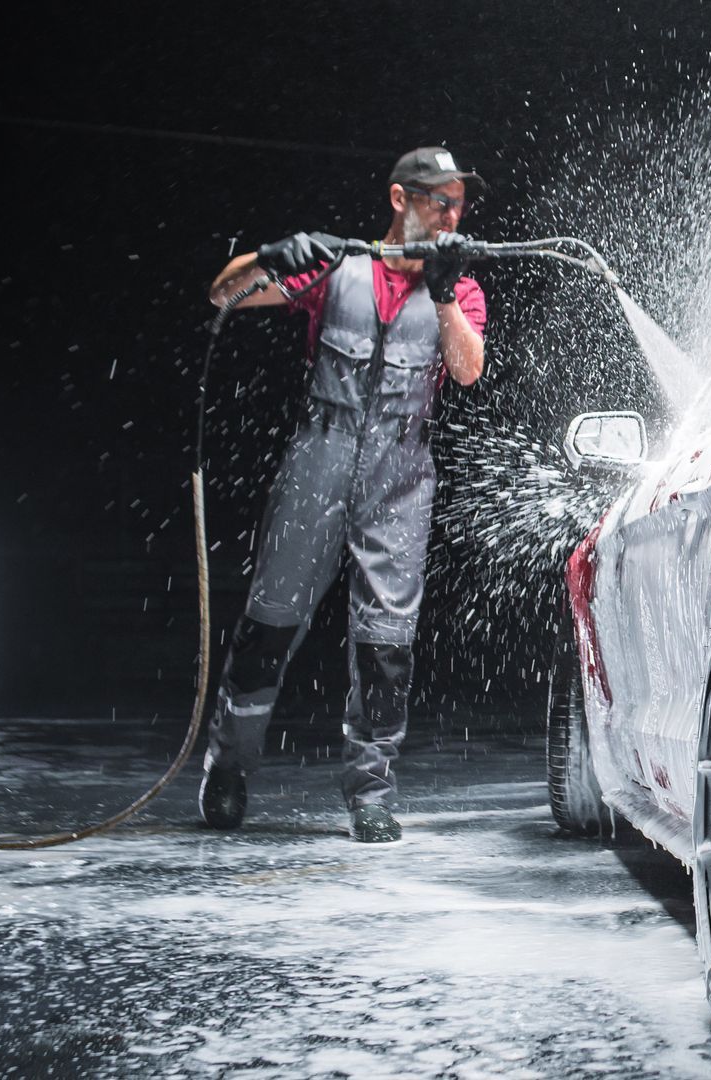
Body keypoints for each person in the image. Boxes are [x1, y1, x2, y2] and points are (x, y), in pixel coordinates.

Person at [199, 146, 487, 842]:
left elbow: (468, 370)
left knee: (386, 646)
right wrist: (271, 255)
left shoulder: (461, 288)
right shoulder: (337, 269)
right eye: (437, 201)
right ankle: (228, 768)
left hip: (401, 472)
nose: (451, 215)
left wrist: (445, 295)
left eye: (457, 204)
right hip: (318, 461)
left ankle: (370, 791)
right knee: (268, 627)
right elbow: (222, 294)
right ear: (398, 199)